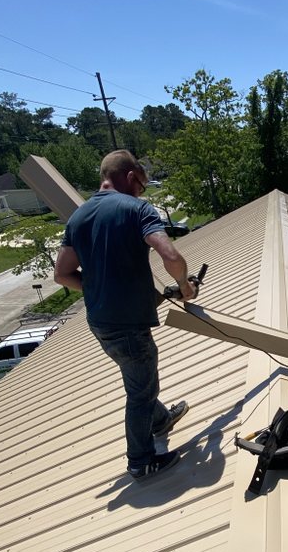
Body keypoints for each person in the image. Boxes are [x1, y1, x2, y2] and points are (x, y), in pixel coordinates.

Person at [54, 149, 196, 479]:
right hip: (128, 326)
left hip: (100, 323)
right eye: (142, 185)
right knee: (141, 391)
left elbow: (62, 274)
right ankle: (141, 460)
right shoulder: (137, 209)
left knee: (138, 379)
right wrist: (184, 286)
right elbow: (170, 254)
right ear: (131, 178)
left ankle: (161, 420)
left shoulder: (78, 217)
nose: (142, 191)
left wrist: (99, 290)